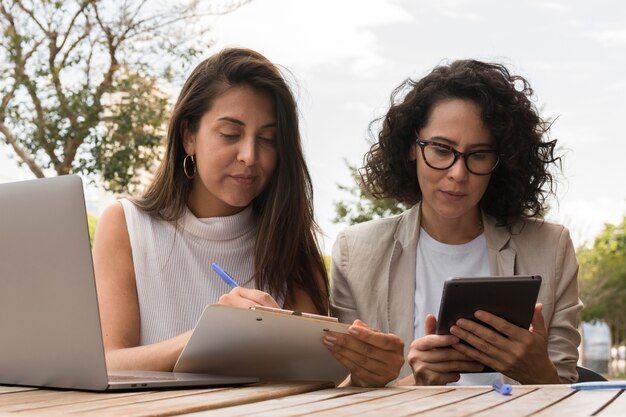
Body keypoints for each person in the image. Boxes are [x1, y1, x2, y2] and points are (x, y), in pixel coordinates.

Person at [92, 48, 402, 387]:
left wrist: (365, 373)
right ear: (188, 136)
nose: (250, 156)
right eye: (230, 134)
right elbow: (106, 364)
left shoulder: (288, 238)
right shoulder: (126, 224)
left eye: (268, 139)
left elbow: (319, 383)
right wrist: (208, 334)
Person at [327, 59, 583, 386]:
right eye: (442, 150)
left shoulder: (552, 248)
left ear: (500, 161)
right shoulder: (356, 252)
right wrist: (415, 384)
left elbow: (567, 390)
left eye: (478, 155)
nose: (458, 174)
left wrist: (538, 373)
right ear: (411, 147)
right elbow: (343, 392)